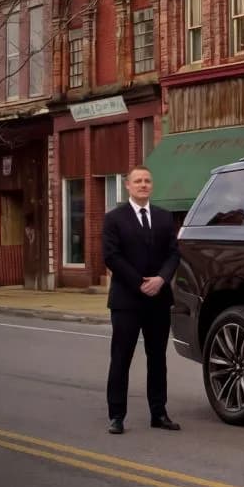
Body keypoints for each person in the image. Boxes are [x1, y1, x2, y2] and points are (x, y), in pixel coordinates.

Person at [103, 165, 181, 434]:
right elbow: (111, 256)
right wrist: (139, 283)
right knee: (121, 357)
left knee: (157, 358)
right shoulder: (114, 218)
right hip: (126, 300)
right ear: (128, 186)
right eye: (138, 181)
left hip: (158, 299)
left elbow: (174, 254)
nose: (143, 185)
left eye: (147, 180)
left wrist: (161, 279)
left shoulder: (163, 217)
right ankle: (116, 416)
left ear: (152, 185)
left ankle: (158, 413)